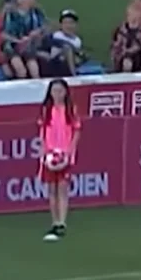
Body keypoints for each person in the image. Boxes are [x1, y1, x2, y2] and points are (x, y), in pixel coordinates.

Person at [38, 79, 81, 242]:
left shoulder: (71, 110)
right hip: (50, 154)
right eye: (54, 91)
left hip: (65, 153)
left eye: (60, 91)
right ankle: (54, 221)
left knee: (62, 188)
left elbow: (76, 131)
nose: (57, 94)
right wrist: (44, 152)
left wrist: (69, 152)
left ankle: (62, 222)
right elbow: (42, 133)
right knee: (51, 188)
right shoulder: (46, 110)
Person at [2, 0, 47, 79]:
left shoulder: (36, 13)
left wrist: (36, 33)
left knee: (35, 71)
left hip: (29, 46)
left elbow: (43, 27)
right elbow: (3, 34)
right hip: (12, 46)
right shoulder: (10, 14)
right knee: (21, 70)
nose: (29, 0)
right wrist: (18, 41)